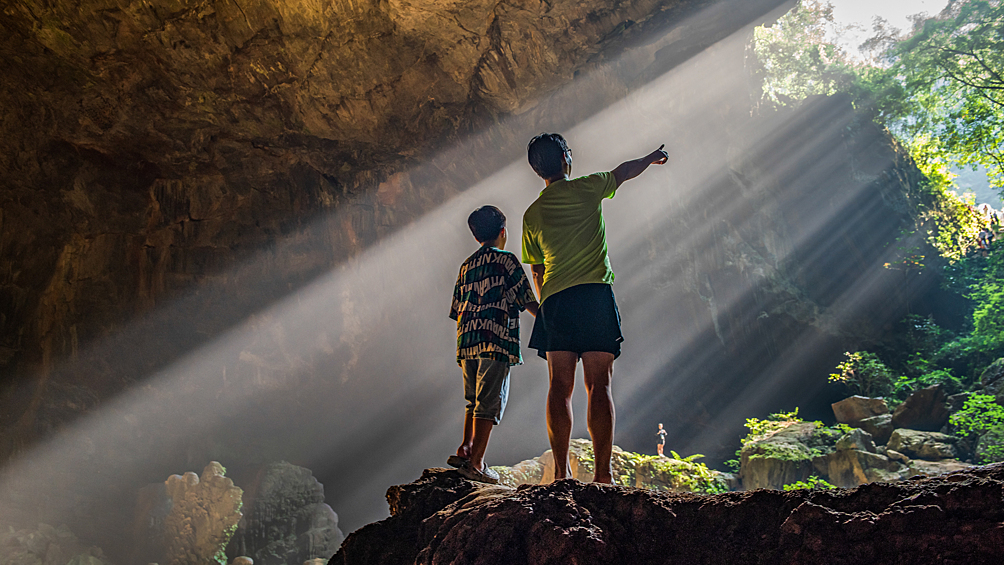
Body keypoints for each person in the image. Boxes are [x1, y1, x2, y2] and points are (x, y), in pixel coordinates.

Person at [521, 133, 668, 483]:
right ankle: (603, 475)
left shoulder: (532, 214)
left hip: (556, 299)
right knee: (598, 385)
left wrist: (546, 306)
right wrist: (651, 157)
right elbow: (625, 171)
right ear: (565, 159)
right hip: (594, 295)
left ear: (536, 169)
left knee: (559, 387)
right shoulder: (588, 187)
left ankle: (560, 474)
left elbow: (537, 269)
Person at [448, 205, 539, 484]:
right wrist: (552, 318)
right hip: (495, 340)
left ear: (476, 237)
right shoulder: (507, 261)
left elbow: (456, 309)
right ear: (503, 232)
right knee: (489, 402)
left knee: (472, 399)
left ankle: (464, 449)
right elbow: (528, 301)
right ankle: (477, 463)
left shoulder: (467, 265)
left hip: (467, 341)